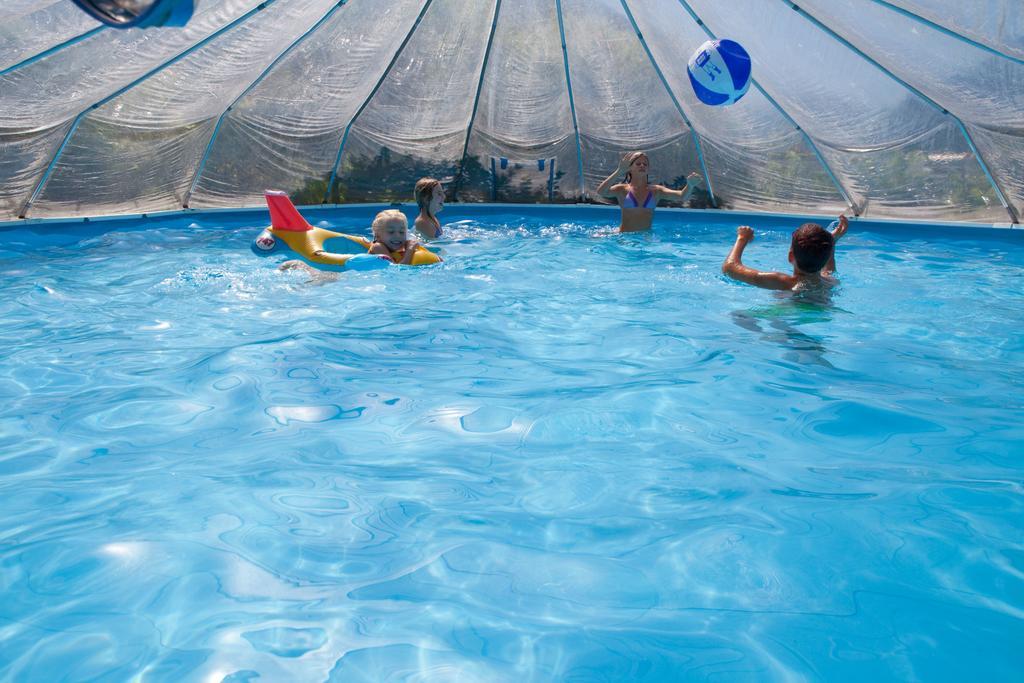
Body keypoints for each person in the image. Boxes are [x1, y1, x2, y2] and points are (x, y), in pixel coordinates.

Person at [722, 216, 849, 291]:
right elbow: (829, 269)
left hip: (785, 317)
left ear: (790, 256)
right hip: (822, 313)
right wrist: (832, 242)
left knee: (738, 315)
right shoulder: (830, 282)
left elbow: (729, 268)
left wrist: (742, 238)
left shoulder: (782, 282)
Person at [595, 151, 704, 232]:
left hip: (645, 237)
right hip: (624, 236)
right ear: (629, 168)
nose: (642, 165)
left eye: (645, 164)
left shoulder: (656, 191)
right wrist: (619, 171)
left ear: (648, 169)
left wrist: (690, 185)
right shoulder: (622, 189)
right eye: (638, 164)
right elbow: (601, 192)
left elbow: (681, 196)